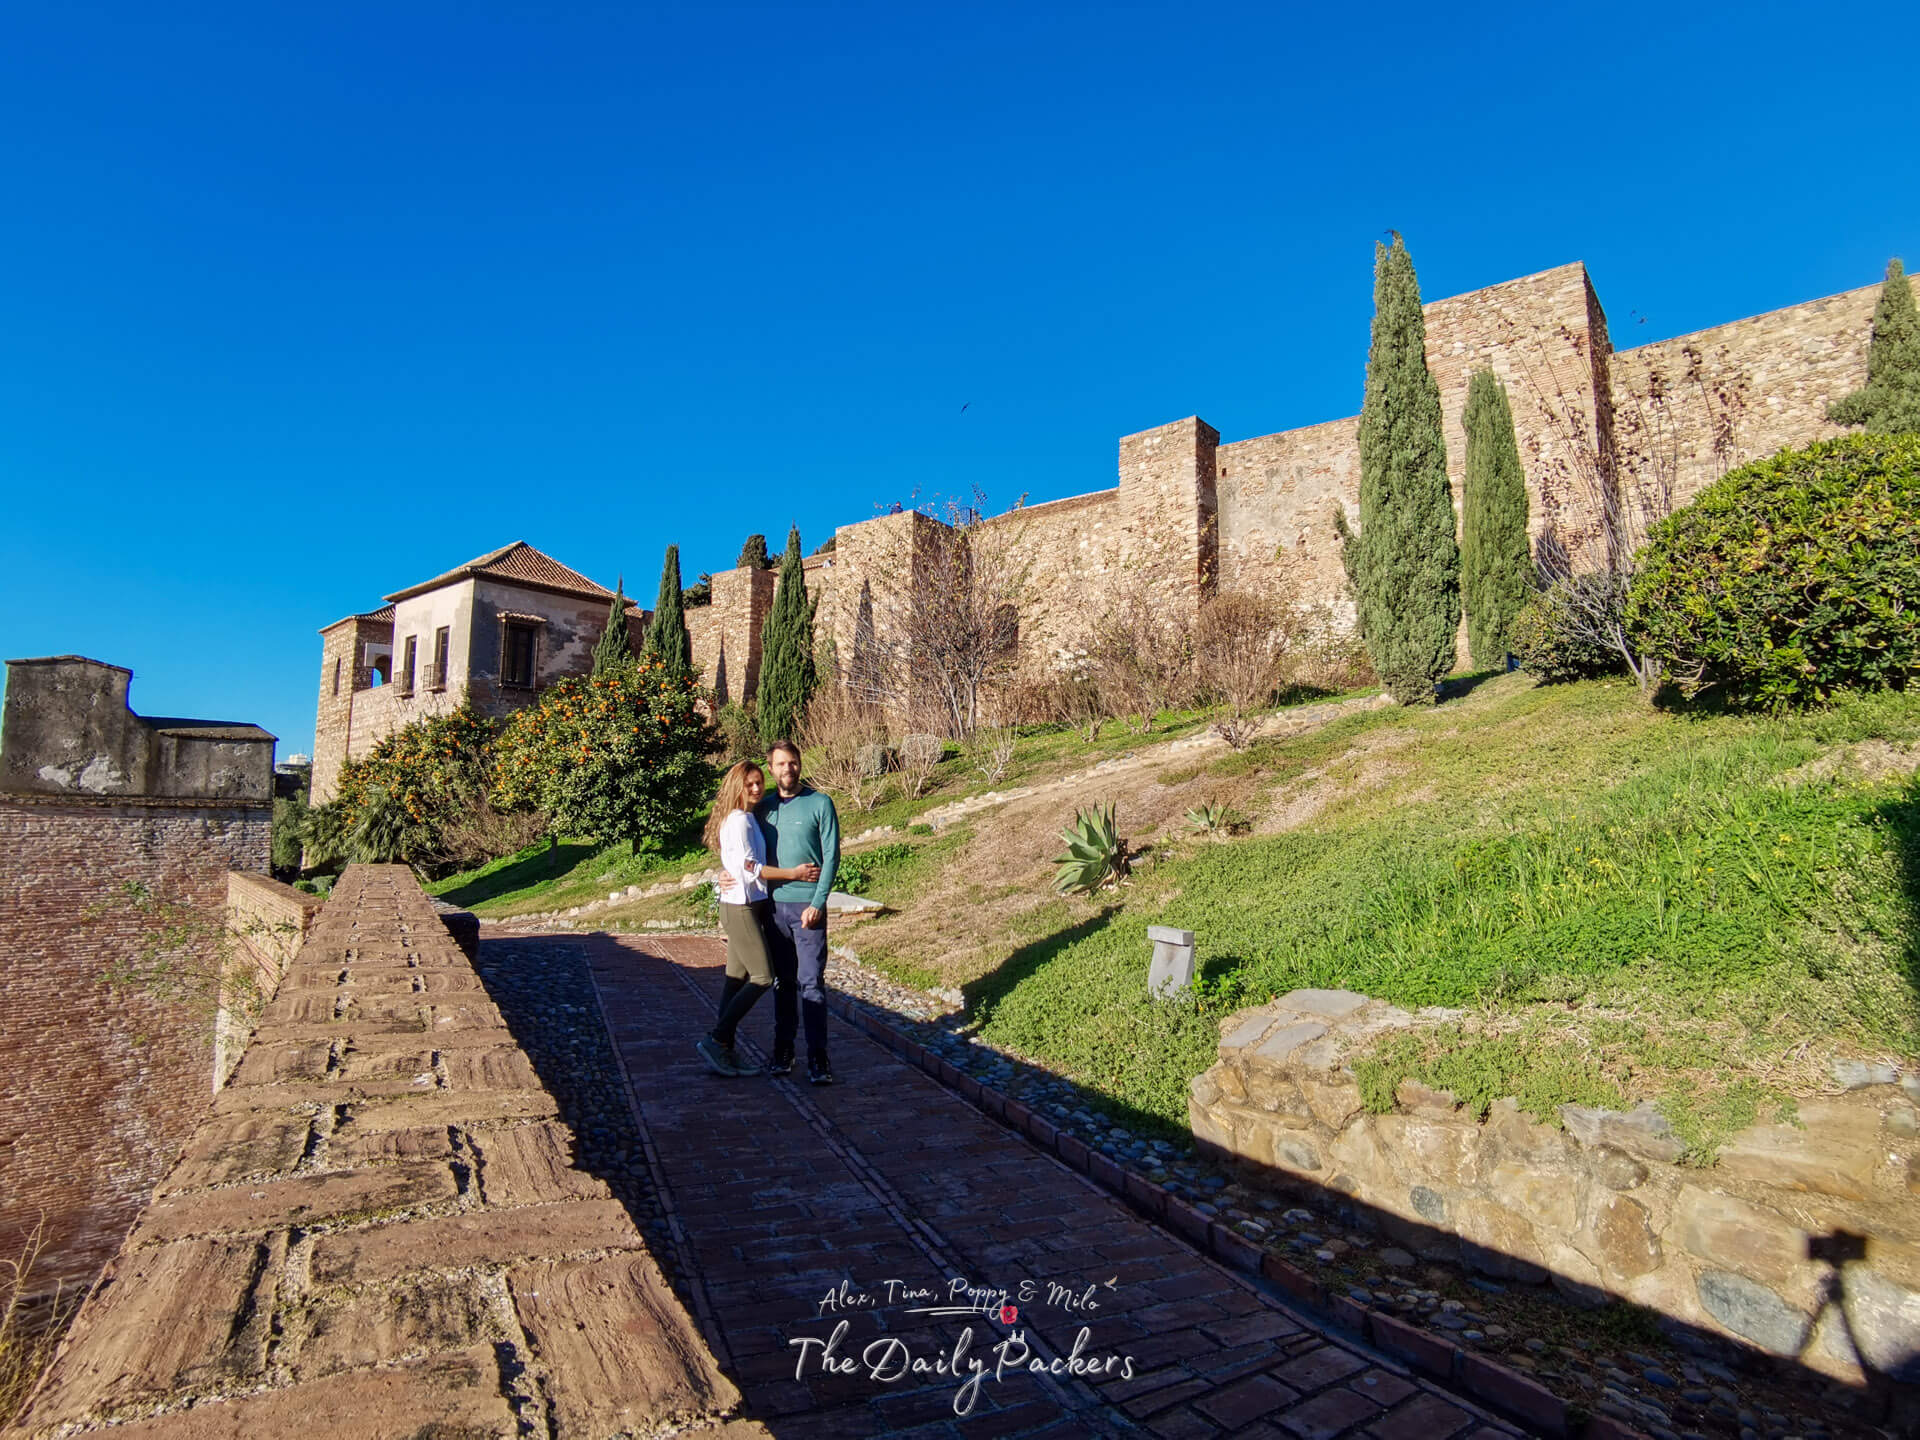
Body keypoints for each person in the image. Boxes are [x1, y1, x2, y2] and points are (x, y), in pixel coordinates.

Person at [695, 760, 818, 1078]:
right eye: (749, 783)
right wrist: (794, 873)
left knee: (735, 979)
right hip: (741, 908)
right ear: (737, 786)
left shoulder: (747, 817)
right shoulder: (739, 821)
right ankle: (717, 1039)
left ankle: (724, 1048)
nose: (755, 788)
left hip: (745, 904)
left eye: (758, 783)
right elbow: (751, 868)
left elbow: (737, 864)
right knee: (763, 976)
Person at [757, 738, 841, 1084]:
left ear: (799, 764)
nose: (787, 769)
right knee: (783, 983)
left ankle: (818, 1056)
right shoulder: (763, 808)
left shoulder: (820, 803)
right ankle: (784, 1049)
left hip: (807, 908)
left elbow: (832, 856)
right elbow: (745, 855)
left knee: (811, 983)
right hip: (774, 909)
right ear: (771, 768)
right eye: (780, 764)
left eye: (792, 762)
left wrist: (818, 903)